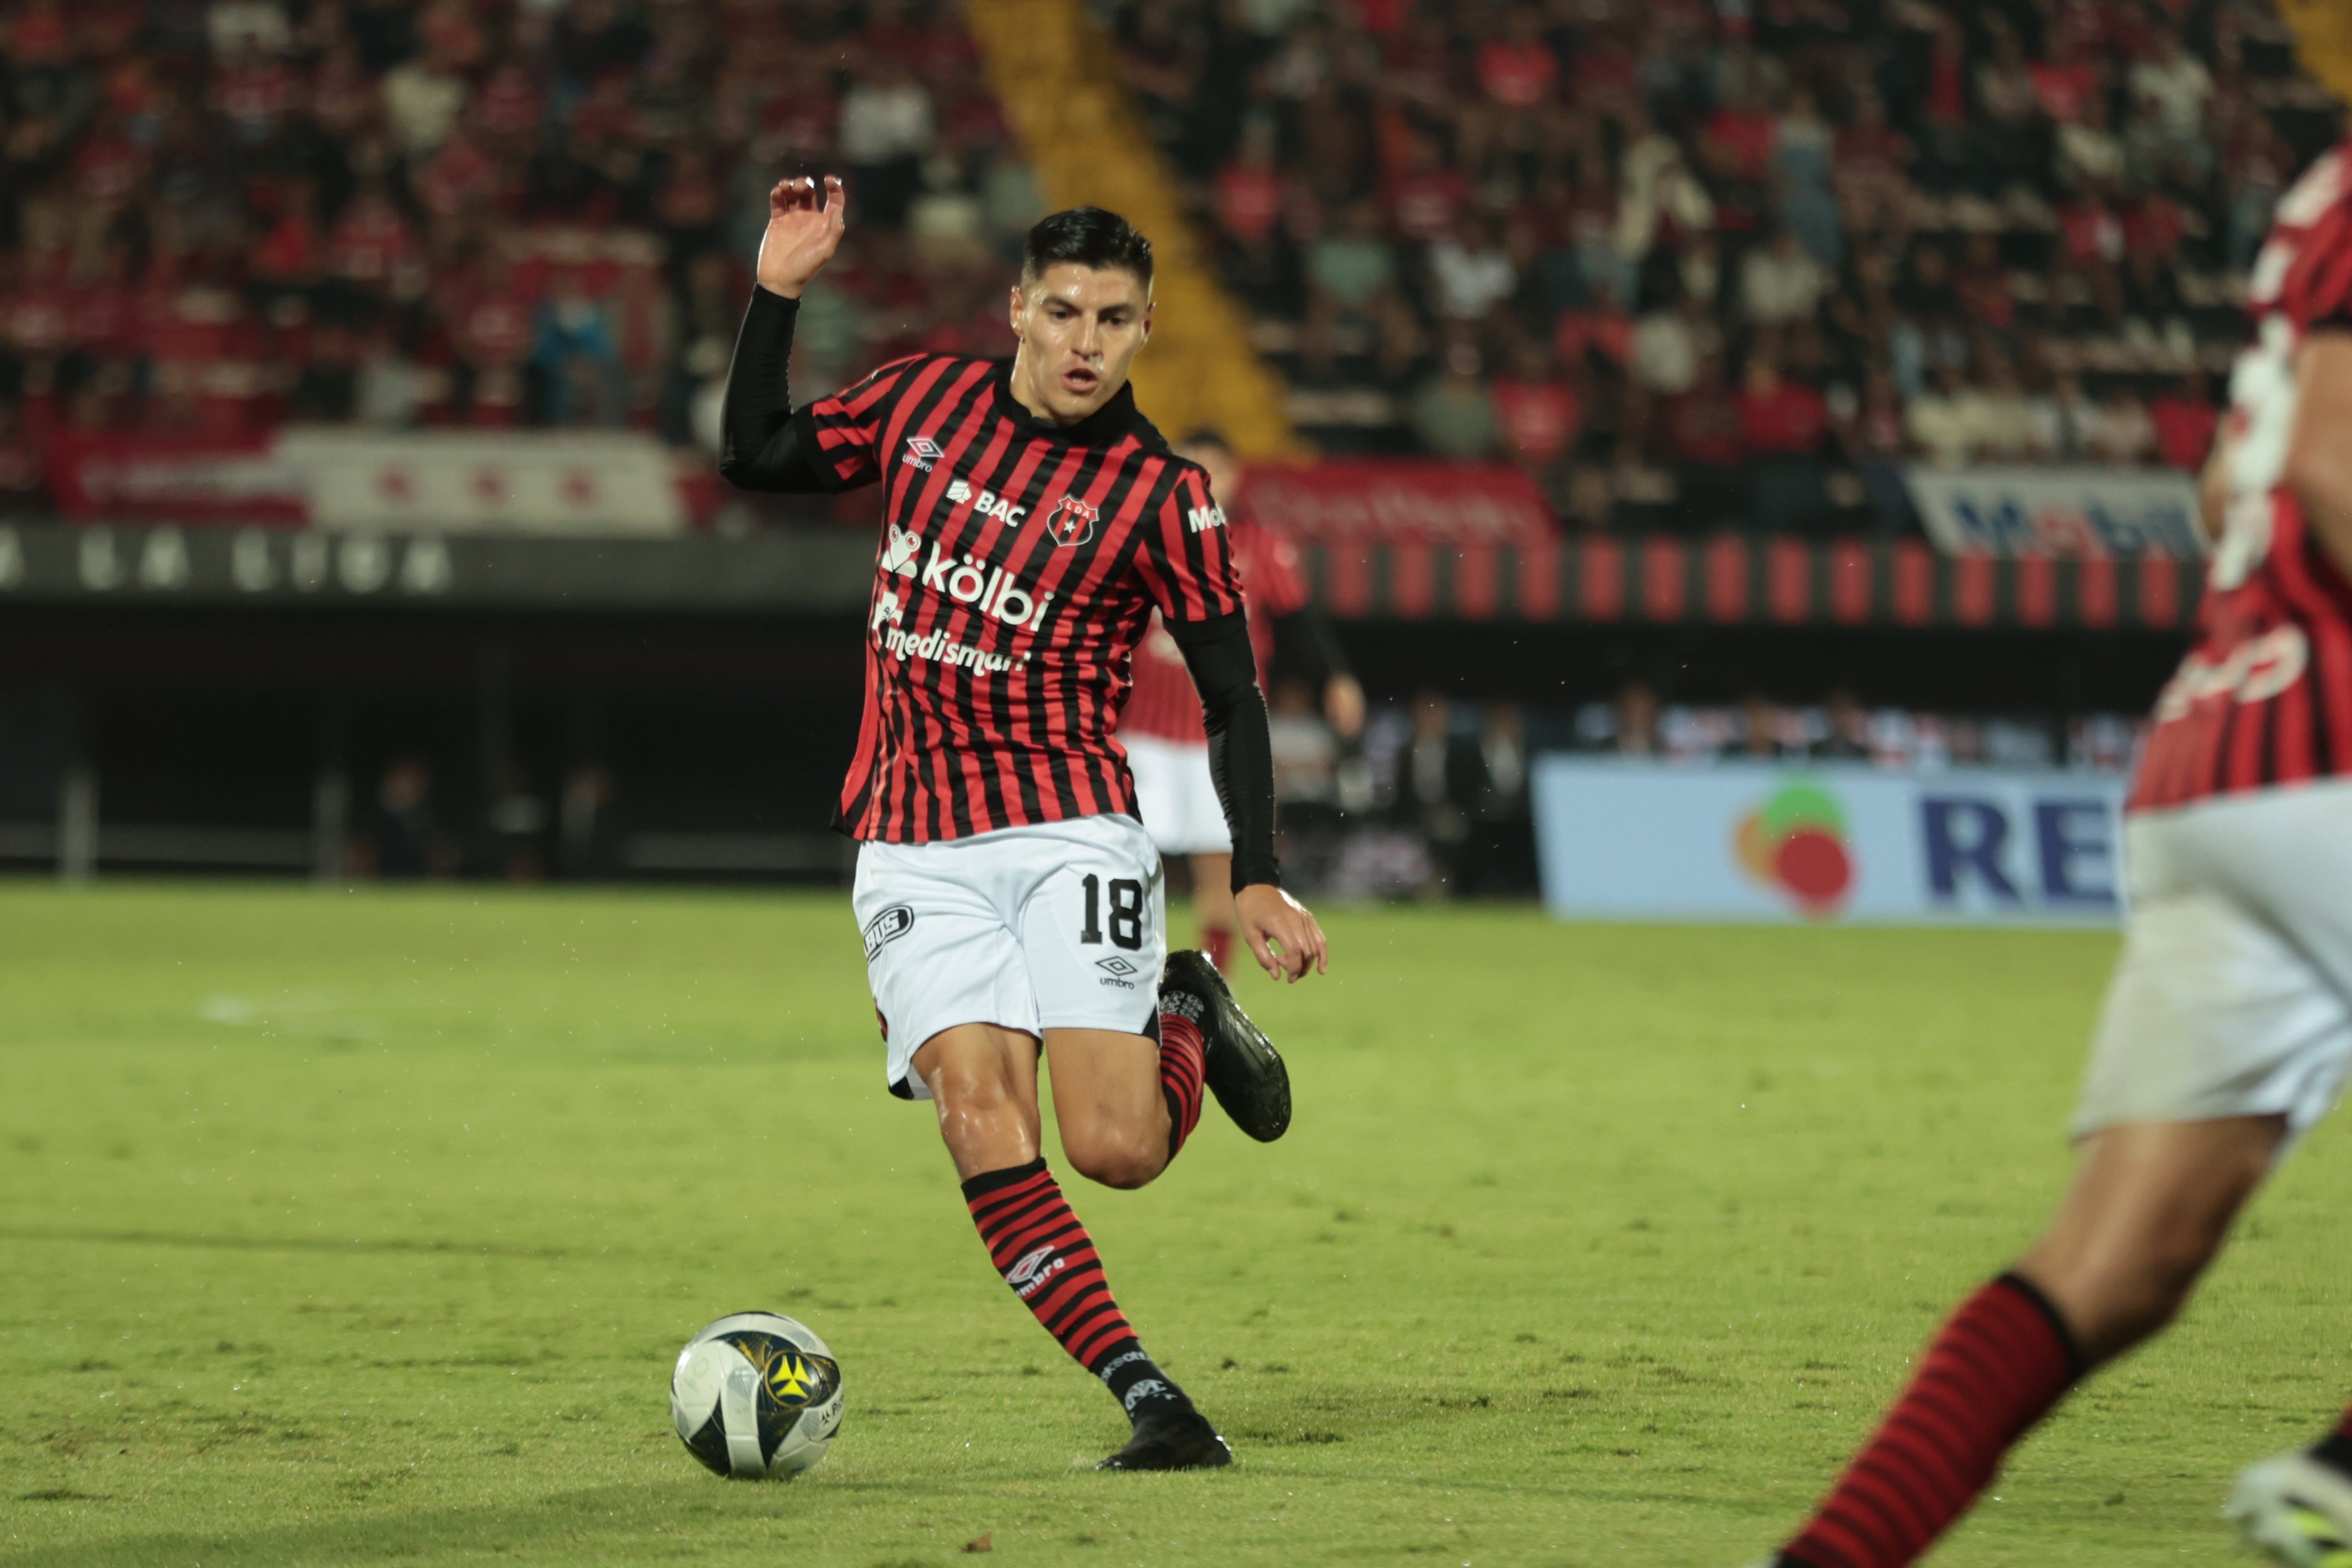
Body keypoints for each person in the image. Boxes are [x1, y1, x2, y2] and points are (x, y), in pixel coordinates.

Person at [1751, 140, 2352, 1568]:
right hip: (2332, 756)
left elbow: (2228, 491)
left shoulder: (2321, 193)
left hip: (2211, 754)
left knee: (2111, 1265)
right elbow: (2325, 460)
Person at [717, 178, 1329, 1473]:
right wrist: (777, 289)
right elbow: (755, 457)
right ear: (1018, 310)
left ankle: (1182, 1009)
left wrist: (1258, 877)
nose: (1085, 340)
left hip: (1069, 835)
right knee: (980, 1121)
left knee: (1117, 1151)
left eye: (1113, 317)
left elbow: (1236, 696)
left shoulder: (1163, 497)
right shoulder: (919, 401)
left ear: (1146, 327)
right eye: (1063, 310)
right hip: (911, 844)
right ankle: (1152, 1401)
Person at [1118, 430, 1363, 972]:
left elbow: (1298, 620)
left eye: (1215, 472)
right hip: (1141, 734)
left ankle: (1208, 985)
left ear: (1235, 478)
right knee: (1130, 865)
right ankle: (1131, 976)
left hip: (1221, 733)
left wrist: (1336, 677)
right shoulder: (1137, 540)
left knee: (1217, 865)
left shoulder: (1258, 543)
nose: (1202, 485)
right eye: (1192, 470)